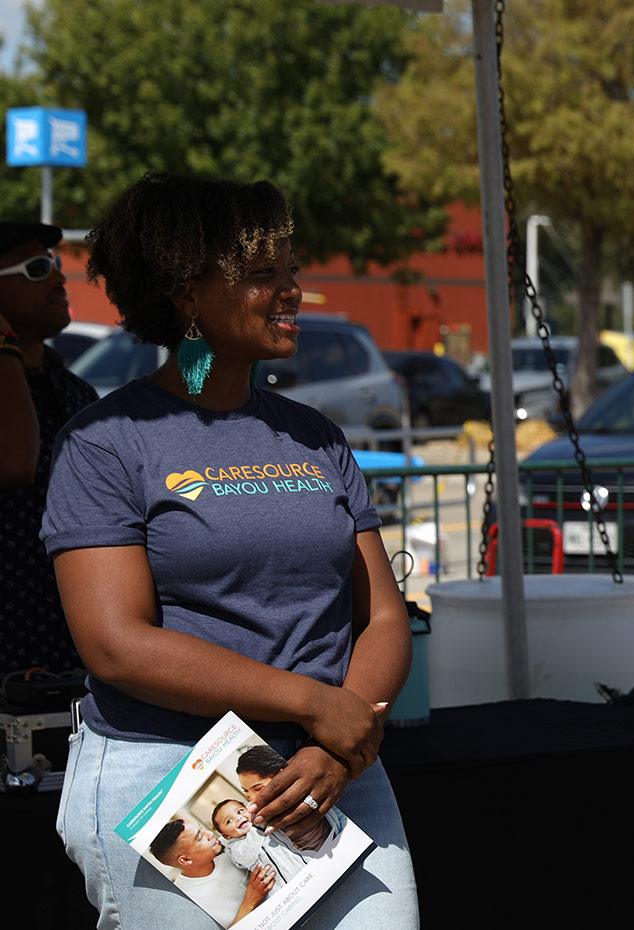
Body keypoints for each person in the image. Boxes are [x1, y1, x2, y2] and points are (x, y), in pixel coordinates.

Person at [42, 173, 417, 929]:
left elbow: (381, 614)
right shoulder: (106, 442)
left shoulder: (316, 436)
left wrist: (337, 748)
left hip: (332, 774)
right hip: (172, 778)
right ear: (186, 295)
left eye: (292, 270)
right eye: (262, 273)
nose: (292, 291)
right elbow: (117, 645)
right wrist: (316, 704)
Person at [0, 219, 96, 679]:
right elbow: (14, 463)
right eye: (38, 268)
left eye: (56, 264)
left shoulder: (75, 389)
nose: (59, 277)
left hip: (73, 649)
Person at [147, 820, 275, 927]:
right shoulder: (184, 903)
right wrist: (249, 902)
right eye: (200, 837)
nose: (210, 834)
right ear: (186, 860)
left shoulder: (231, 844)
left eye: (202, 829)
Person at [212, 799, 308, 883]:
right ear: (227, 836)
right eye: (229, 821)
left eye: (240, 811)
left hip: (302, 865)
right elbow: (247, 855)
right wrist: (254, 825)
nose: (238, 818)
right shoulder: (235, 848)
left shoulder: (263, 822)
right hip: (283, 887)